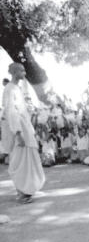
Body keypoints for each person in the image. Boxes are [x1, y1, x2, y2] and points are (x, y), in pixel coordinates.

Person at [1, 63, 45, 204]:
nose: (25, 72)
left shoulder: (17, 89)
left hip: (24, 128)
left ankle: (25, 191)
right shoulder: (9, 89)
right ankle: (21, 193)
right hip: (18, 129)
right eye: (22, 70)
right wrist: (18, 133)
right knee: (19, 161)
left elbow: (23, 112)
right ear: (15, 72)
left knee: (26, 160)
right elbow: (10, 111)